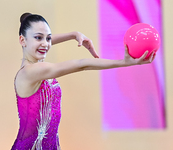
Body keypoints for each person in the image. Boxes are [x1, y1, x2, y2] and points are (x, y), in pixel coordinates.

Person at [11, 13, 155, 150]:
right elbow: (82, 64)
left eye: (48, 38)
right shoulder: (30, 72)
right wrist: (123, 62)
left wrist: (73, 35)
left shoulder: (36, 63)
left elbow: (41, 43)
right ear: (22, 40)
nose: (45, 44)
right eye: (38, 38)